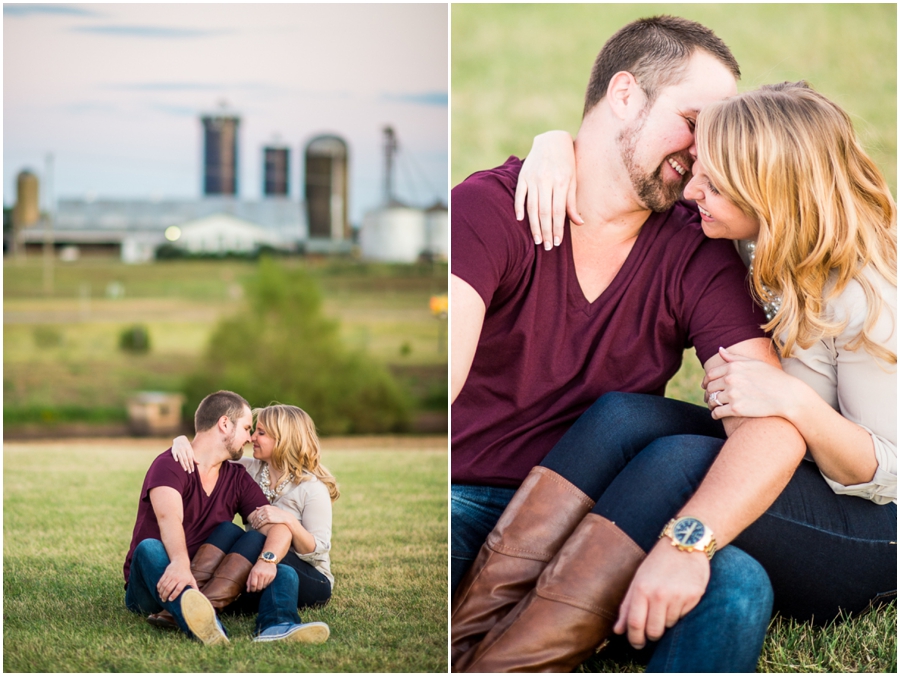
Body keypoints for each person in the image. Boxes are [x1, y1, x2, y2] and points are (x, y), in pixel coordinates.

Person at [465, 81, 897, 671]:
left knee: (674, 462)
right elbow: (618, 159)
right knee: (622, 415)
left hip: (869, 530)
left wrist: (796, 406)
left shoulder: (867, 293)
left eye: (713, 184)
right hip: (797, 469)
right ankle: (468, 637)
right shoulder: (751, 234)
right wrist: (555, 146)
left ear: (772, 193)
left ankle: (512, 664)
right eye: (699, 171)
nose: (691, 192)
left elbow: (887, 470)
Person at [451, 15, 805, 672]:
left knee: (738, 587)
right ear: (624, 95)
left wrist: (688, 544)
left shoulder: (699, 248)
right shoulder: (489, 210)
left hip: (607, 518)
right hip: (462, 499)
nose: (706, 151)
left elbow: (773, 423)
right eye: (695, 121)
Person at [123, 390, 330, 645]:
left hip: (204, 579)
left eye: (255, 431)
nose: (249, 437)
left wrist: (268, 560)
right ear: (224, 424)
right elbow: (170, 519)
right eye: (246, 428)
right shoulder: (170, 464)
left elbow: (277, 527)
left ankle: (253, 621)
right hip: (159, 581)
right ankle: (200, 620)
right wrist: (179, 563)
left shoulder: (237, 476)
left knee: (274, 564)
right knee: (149, 548)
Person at [164, 403, 338, 631]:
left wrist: (288, 521)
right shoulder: (248, 469)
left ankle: (198, 608)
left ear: (284, 439)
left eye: (261, 433)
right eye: (254, 430)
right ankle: (189, 598)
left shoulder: (311, 488)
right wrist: (181, 441)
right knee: (228, 530)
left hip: (309, 576)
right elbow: (209, 450)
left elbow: (317, 550)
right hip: (259, 567)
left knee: (258, 545)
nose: (252, 437)